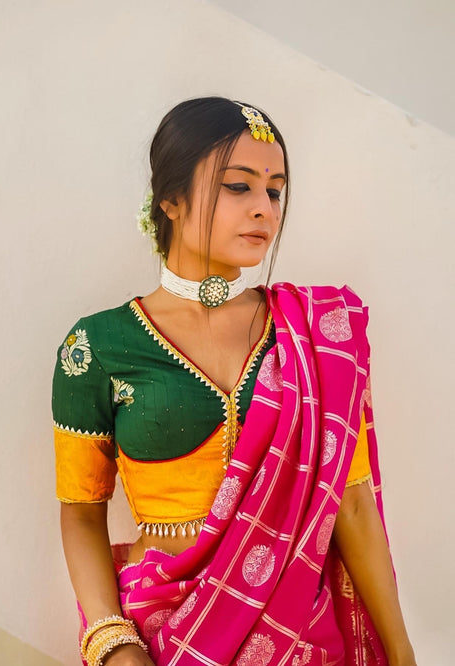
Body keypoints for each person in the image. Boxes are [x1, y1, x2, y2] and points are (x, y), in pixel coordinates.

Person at [52, 97, 416, 666]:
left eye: (275, 191)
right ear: (171, 200)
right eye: (239, 186)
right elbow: (80, 511)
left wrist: (401, 652)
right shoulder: (97, 347)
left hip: (299, 634)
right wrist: (113, 642)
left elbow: (353, 507)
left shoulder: (315, 334)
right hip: (162, 635)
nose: (264, 209)